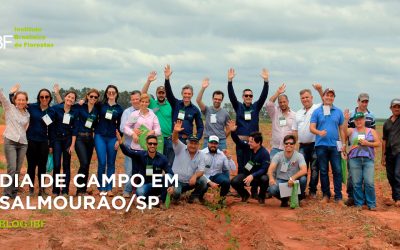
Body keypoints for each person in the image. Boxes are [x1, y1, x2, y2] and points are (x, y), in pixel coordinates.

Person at [9, 84, 58, 196]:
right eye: (42, 97)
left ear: (50, 98)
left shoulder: (52, 111)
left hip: (44, 142)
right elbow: (16, 103)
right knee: (31, 166)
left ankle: (42, 189)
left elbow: (51, 130)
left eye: (47, 97)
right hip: (30, 140)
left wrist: (51, 145)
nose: (44, 99)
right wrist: (12, 94)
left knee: (42, 166)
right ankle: (31, 189)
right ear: (38, 98)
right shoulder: (31, 107)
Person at [227, 68, 269, 174]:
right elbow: (232, 96)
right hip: (241, 142)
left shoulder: (256, 107)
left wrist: (266, 82)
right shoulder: (239, 107)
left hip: (254, 143)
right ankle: (240, 186)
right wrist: (230, 81)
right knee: (241, 165)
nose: (248, 97)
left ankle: (253, 185)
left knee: (252, 164)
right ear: (243, 97)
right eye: (246, 95)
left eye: (250, 95)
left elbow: (263, 96)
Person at [310, 88, 346, 204]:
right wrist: (319, 132)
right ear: (323, 97)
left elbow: (341, 129)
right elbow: (312, 127)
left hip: (335, 146)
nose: (329, 97)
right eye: (327, 95)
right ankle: (326, 195)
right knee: (324, 171)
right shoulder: (317, 111)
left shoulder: (338, 111)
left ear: (333, 98)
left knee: (337, 171)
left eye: (332, 96)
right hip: (321, 146)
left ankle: (338, 196)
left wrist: (344, 144)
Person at [116, 132, 171, 203]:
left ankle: (161, 200)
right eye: (150, 143)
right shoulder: (141, 155)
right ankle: (152, 200)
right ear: (146, 145)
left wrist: (171, 186)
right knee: (140, 192)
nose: (152, 145)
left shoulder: (162, 158)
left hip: (157, 184)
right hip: (145, 184)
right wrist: (120, 142)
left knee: (168, 177)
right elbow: (128, 152)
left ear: (157, 145)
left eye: (154, 144)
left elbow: (170, 172)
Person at [345, 93, 377, 206]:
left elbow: (374, 136)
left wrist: (369, 144)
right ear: (358, 101)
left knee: (368, 181)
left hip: (367, 153)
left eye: (366, 101)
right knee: (353, 179)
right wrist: (347, 149)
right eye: (362, 101)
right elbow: (345, 132)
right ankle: (353, 198)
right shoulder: (351, 115)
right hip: (353, 152)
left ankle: (368, 202)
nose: (364, 103)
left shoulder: (371, 116)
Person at [292, 84, 323, 198]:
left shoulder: (317, 108)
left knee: (315, 169)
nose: (305, 99)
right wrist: (294, 146)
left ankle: (313, 190)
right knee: (301, 169)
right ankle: (301, 191)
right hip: (302, 146)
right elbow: (295, 130)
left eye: (307, 97)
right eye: (303, 98)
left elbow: (325, 100)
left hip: (315, 144)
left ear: (312, 98)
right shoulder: (298, 113)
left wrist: (319, 89)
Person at [228, 121, 270, 204]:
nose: (249, 143)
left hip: (258, 176)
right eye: (249, 141)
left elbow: (264, 169)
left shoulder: (264, 153)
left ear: (258, 143)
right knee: (234, 181)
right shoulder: (248, 147)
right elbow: (238, 141)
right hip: (247, 174)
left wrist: (253, 175)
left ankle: (261, 197)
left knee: (265, 179)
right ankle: (245, 195)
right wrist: (233, 132)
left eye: (251, 142)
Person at [167, 120, 208, 204]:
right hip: (178, 180)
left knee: (203, 181)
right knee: (176, 192)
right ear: (187, 142)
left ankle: (193, 197)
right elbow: (175, 140)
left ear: (198, 145)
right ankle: (176, 196)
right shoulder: (180, 148)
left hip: (190, 182)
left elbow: (201, 170)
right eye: (191, 143)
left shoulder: (201, 154)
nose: (193, 145)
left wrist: (195, 175)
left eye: (195, 143)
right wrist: (175, 131)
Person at [0, 85, 30, 199]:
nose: (21, 101)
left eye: (23, 100)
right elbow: (2, 97)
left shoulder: (27, 114)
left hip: (23, 143)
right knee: (11, 168)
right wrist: (11, 91)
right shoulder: (9, 108)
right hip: (10, 142)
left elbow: (25, 127)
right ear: (15, 100)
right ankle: (7, 193)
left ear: (26, 101)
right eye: (19, 99)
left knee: (17, 169)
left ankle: (14, 192)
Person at [94, 85, 123, 196]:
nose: (111, 94)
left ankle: (109, 188)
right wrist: (82, 101)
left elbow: (120, 126)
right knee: (102, 162)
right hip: (99, 136)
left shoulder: (119, 109)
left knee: (111, 163)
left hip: (112, 138)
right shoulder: (100, 105)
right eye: (109, 92)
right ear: (106, 94)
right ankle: (101, 187)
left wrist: (118, 140)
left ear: (116, 94)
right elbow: (90, 107)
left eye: (113, 92)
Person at [49, 91, 79, 196]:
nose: (70, 99)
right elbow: (50, 124)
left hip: (68, 140)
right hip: (57, 140)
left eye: (73, 98)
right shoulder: (56, 108)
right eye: (69, 97)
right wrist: (50, 144)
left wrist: (72, 145)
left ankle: (65, 190)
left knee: (66, 165)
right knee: (57, 165)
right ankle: (56, 190)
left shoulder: (74, 112)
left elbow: (75, 129)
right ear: (65, 97)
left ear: (74, 101)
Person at [164, 64, 204, 143]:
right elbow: (168, 93)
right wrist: (167, 79)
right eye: (185, 93)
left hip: (187, 141)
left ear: (192, 95)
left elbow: (200, 127)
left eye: (189, 94)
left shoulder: (195, 110)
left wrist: (195, 139)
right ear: (182, 94)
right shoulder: (176, 104)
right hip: (174, 139)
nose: (187, 95)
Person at [141, 71, 174, 166]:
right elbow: (143, 93)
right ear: (156, 94)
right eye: (159, 93)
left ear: (165, 94)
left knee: (167, 163)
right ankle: (154, 179)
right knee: (154, 162)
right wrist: (149, 81)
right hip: (154, 138)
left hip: (167, 138)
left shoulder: (170, 105)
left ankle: (165, 180)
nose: (161, 95)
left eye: (163, 93)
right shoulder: (152, 103)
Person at [267, 135, 308, 207]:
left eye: (291, 143)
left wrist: (293, 178)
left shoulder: (299, 156)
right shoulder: (278, 155)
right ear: (284, 145)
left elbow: (304, 170)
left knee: (303, 179)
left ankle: (297, 199)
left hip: (294, 182)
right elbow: (271, 168)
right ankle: (284, 199)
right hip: (281, 180)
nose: (288, 145)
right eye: (286, 143)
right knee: (272, 189)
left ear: (294, 145)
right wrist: (271, 178)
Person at [75, 89, 100, 196]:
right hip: (79, 138)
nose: (93, 98)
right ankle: (79, 189)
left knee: (87, 165)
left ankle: (83, 190)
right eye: (91, 96)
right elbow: (66, 104)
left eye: (95, 97)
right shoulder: (80, 106)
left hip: (90, 139)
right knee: (84, 163)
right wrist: (78, 102)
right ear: (87, 96)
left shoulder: (97, 109)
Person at [196, 78, 230, 150]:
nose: (217, 101)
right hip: (207, 140)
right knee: (205, 160)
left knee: (221, 160)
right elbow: (198, 100)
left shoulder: (225, 113)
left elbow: (228, 129)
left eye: (219, 99)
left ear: (222, 100)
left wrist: (222, 138)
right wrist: (203, 88)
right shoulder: (207, 110)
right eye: (215, 99)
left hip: (221, 142)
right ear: (212, 98)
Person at [119, 90, 141, 198]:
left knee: (142, 170)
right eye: (133, 99)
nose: (135, 101)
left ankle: (138, 191)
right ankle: (127, 190)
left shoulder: (147, 112)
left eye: (137, 99)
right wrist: (133, 133)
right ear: (130, 100)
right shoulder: (127, 112)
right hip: (130, 146)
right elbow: (122, 127)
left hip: (143, 146)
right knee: (130, 169)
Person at [201, 136, 236, 203]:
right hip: (204, 176)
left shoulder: (222, 155)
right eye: (211, 143)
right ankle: (199, 197)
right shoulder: (202, 153)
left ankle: (221, 200)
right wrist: (210, 182)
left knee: (226, 181)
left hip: (216, 176)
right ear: (208, 143)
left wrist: (228, 157)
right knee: (203, 185)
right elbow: (198, 172)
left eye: (215, 143)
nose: (213, 145)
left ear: (218, 145)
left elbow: (233, 168)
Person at [266, 83, 296, 159]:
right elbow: (269, 104)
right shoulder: (274, 112)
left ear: (288, 102)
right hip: (275, 148)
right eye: (280, 102)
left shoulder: (294, 115)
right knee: (272, 168)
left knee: (286, 169)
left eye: (284, 102)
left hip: (288, 148)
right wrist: (278, 93)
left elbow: (295, 132)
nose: (282, 104)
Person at [382, 98, 400, 207]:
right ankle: (395, 197)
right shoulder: (387, 123)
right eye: (395, 106)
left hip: (399, 151)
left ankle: (398, 198)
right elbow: (384, 140)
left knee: (398, 174)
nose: (397, 108)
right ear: (391, 108)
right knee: (390, 175)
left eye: (399, 107)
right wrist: (383, 156)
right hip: (389, 152)